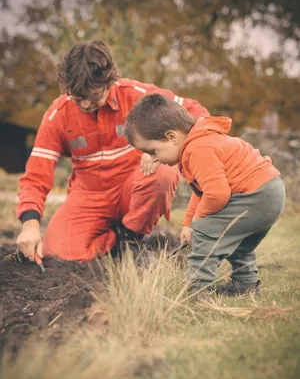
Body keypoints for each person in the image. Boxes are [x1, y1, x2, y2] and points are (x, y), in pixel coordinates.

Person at [16, 40, 209, 262]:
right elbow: (35, 175)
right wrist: (30, 224)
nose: (86, 105)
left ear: (110, 81)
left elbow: (198, 114)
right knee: (57, 254)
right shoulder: (57, 116)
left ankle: (131, 238)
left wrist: (156, 151)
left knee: (163, 173)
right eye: (79, 97)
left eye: (94, 96)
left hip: (135, 186)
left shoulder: (137, 95)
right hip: (89, 196)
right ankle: (115, 243)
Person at [124, 94, 286, 296]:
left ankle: (198, 290)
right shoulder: (195, 144)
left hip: (256, 196)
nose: (154, 160)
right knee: (238, 243)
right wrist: (187, 222)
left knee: (204, 232)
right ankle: (245, 286)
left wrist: (197, 223)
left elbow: (217, 194)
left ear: (172, 137)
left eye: (153, 151)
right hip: (268, 193)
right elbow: (201, 192)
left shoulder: (199, 149)